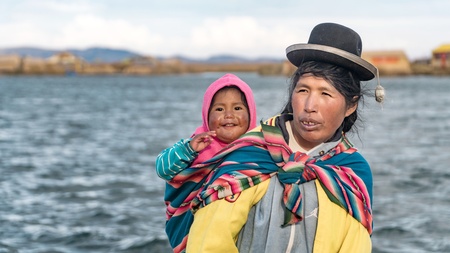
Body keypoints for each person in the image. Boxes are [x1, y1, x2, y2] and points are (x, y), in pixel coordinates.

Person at [186, 23, 384, 252]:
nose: (310, 106)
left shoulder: (351, 173)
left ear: (351, 105)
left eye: (325, 93)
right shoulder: (250, 154)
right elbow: (208, 241)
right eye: (303, 90)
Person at [155, 73, 258, 252]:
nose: (228, 115)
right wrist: (189, 149)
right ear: (206, 115)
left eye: (238, 108)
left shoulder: (258, 150)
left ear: (251, 113)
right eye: (219, 109)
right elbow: (162, 169)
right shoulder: (196, 145)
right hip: (193, 232)